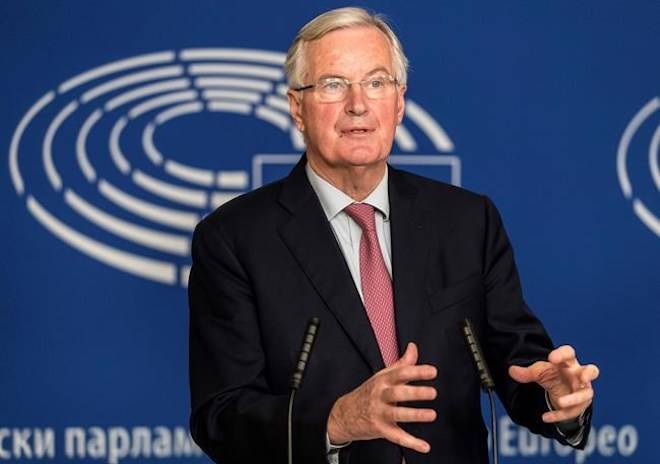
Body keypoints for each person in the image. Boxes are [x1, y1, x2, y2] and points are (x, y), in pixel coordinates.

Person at [188, 7, 599, 464]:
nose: (358, 104)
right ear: (296, 108)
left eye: (376, 82)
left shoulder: (467, 220)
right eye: (333, 85)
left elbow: (519, 364)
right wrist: (337, 419)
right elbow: (220, 418)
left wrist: (557, 400)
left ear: (399, 103)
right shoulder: (233, 238)